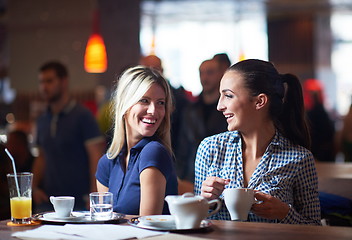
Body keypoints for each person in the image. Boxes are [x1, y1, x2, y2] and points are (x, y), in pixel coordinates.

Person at [195, 59, 321, 225]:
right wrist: (203, 200)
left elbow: (315, 229)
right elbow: (196, 220)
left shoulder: (299, 159)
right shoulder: (210, 148)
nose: (220, 106)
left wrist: (285, 213)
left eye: (228, 96)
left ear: (259, 101)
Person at [95, 66, 178, 216]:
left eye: (160, 103)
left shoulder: (153, 152)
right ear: (125, 105)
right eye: (144, 100)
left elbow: (148, 229)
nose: (153, 110)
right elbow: (103, 223)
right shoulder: (107, 163)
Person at [33, 61, 105, 212]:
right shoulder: (42, 120)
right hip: (48, 202)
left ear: (64, 81)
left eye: (49, 81)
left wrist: (94, 196)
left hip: (78, 203)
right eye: (41, 82)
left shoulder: (83, 116)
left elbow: (96, 157)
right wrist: (33, 187)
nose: (44, 87)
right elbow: (41, 156)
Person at [175, 59, 228, 188]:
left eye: (209, 73)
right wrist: (180, 178)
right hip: (191, 176)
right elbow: (182, 147)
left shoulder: (228, 109)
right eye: (201, 73)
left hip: (221, 177)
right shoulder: (190, 109)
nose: (204, 78)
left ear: (221, 74)